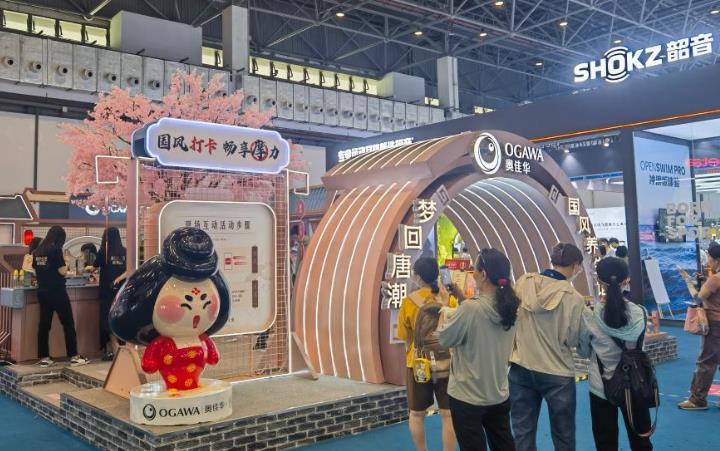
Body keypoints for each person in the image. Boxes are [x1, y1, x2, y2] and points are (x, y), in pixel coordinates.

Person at [509, 242, 590, 451]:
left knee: (522, 432)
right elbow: (574, 339)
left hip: (521, 365)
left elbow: (511, 317)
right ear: (575, 266)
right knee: (564, 436)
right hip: (558, 372)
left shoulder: (524, 283)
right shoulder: (574, 299)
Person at [438, 248, 520, 451]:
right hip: (498, 392)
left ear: (483, 274)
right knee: (504, 443)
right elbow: (481, 316)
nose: (472, 273)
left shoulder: (471, 309)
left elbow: (445, 338)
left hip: (467, 395)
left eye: (475, 269)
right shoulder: (511, 307)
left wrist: (443, 306)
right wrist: (461, 300)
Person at [577, 257, 653, 450]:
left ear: (599, 281)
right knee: (641, 441)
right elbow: (639, 348)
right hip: (636, 384)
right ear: (626, 280)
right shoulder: (641, 312)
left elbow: (584, 351)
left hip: (601, 386)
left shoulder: (590, 315)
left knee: (605, 443)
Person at [397, 257, 457, 451]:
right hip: (445, 361)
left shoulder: (409, 302)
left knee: (416, 414)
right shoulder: (448, 299)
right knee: (448, 414)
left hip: (417, 363)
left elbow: (404, 336)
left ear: (418, 277)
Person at [33, 226, 88, 367]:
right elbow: (62, 271)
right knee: (68, 323)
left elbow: (35, 268)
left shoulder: (38, 251)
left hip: (42, 291)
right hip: (57, 291)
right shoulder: (55, 250)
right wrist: (67, 265)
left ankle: (44, 358)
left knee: (44, 324)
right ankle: (74, 356)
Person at [678, 243, 720, 410]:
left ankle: (697, 400)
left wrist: (687, 280)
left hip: (715, 324)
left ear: (716, 260)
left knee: (706, 362)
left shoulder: (715, 279)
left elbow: (697, 298)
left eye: (709, 258)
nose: (707, 261)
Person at [93, 227, 126, 361]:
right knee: (120, 317)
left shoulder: (104, 252)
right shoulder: (125, 251)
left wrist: (88, 268)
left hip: (106, 290)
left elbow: (94, 266)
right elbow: (130, 269)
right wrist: (118, 280)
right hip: (121, 291)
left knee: (107, 318)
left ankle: (114, 347)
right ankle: (122, 347)